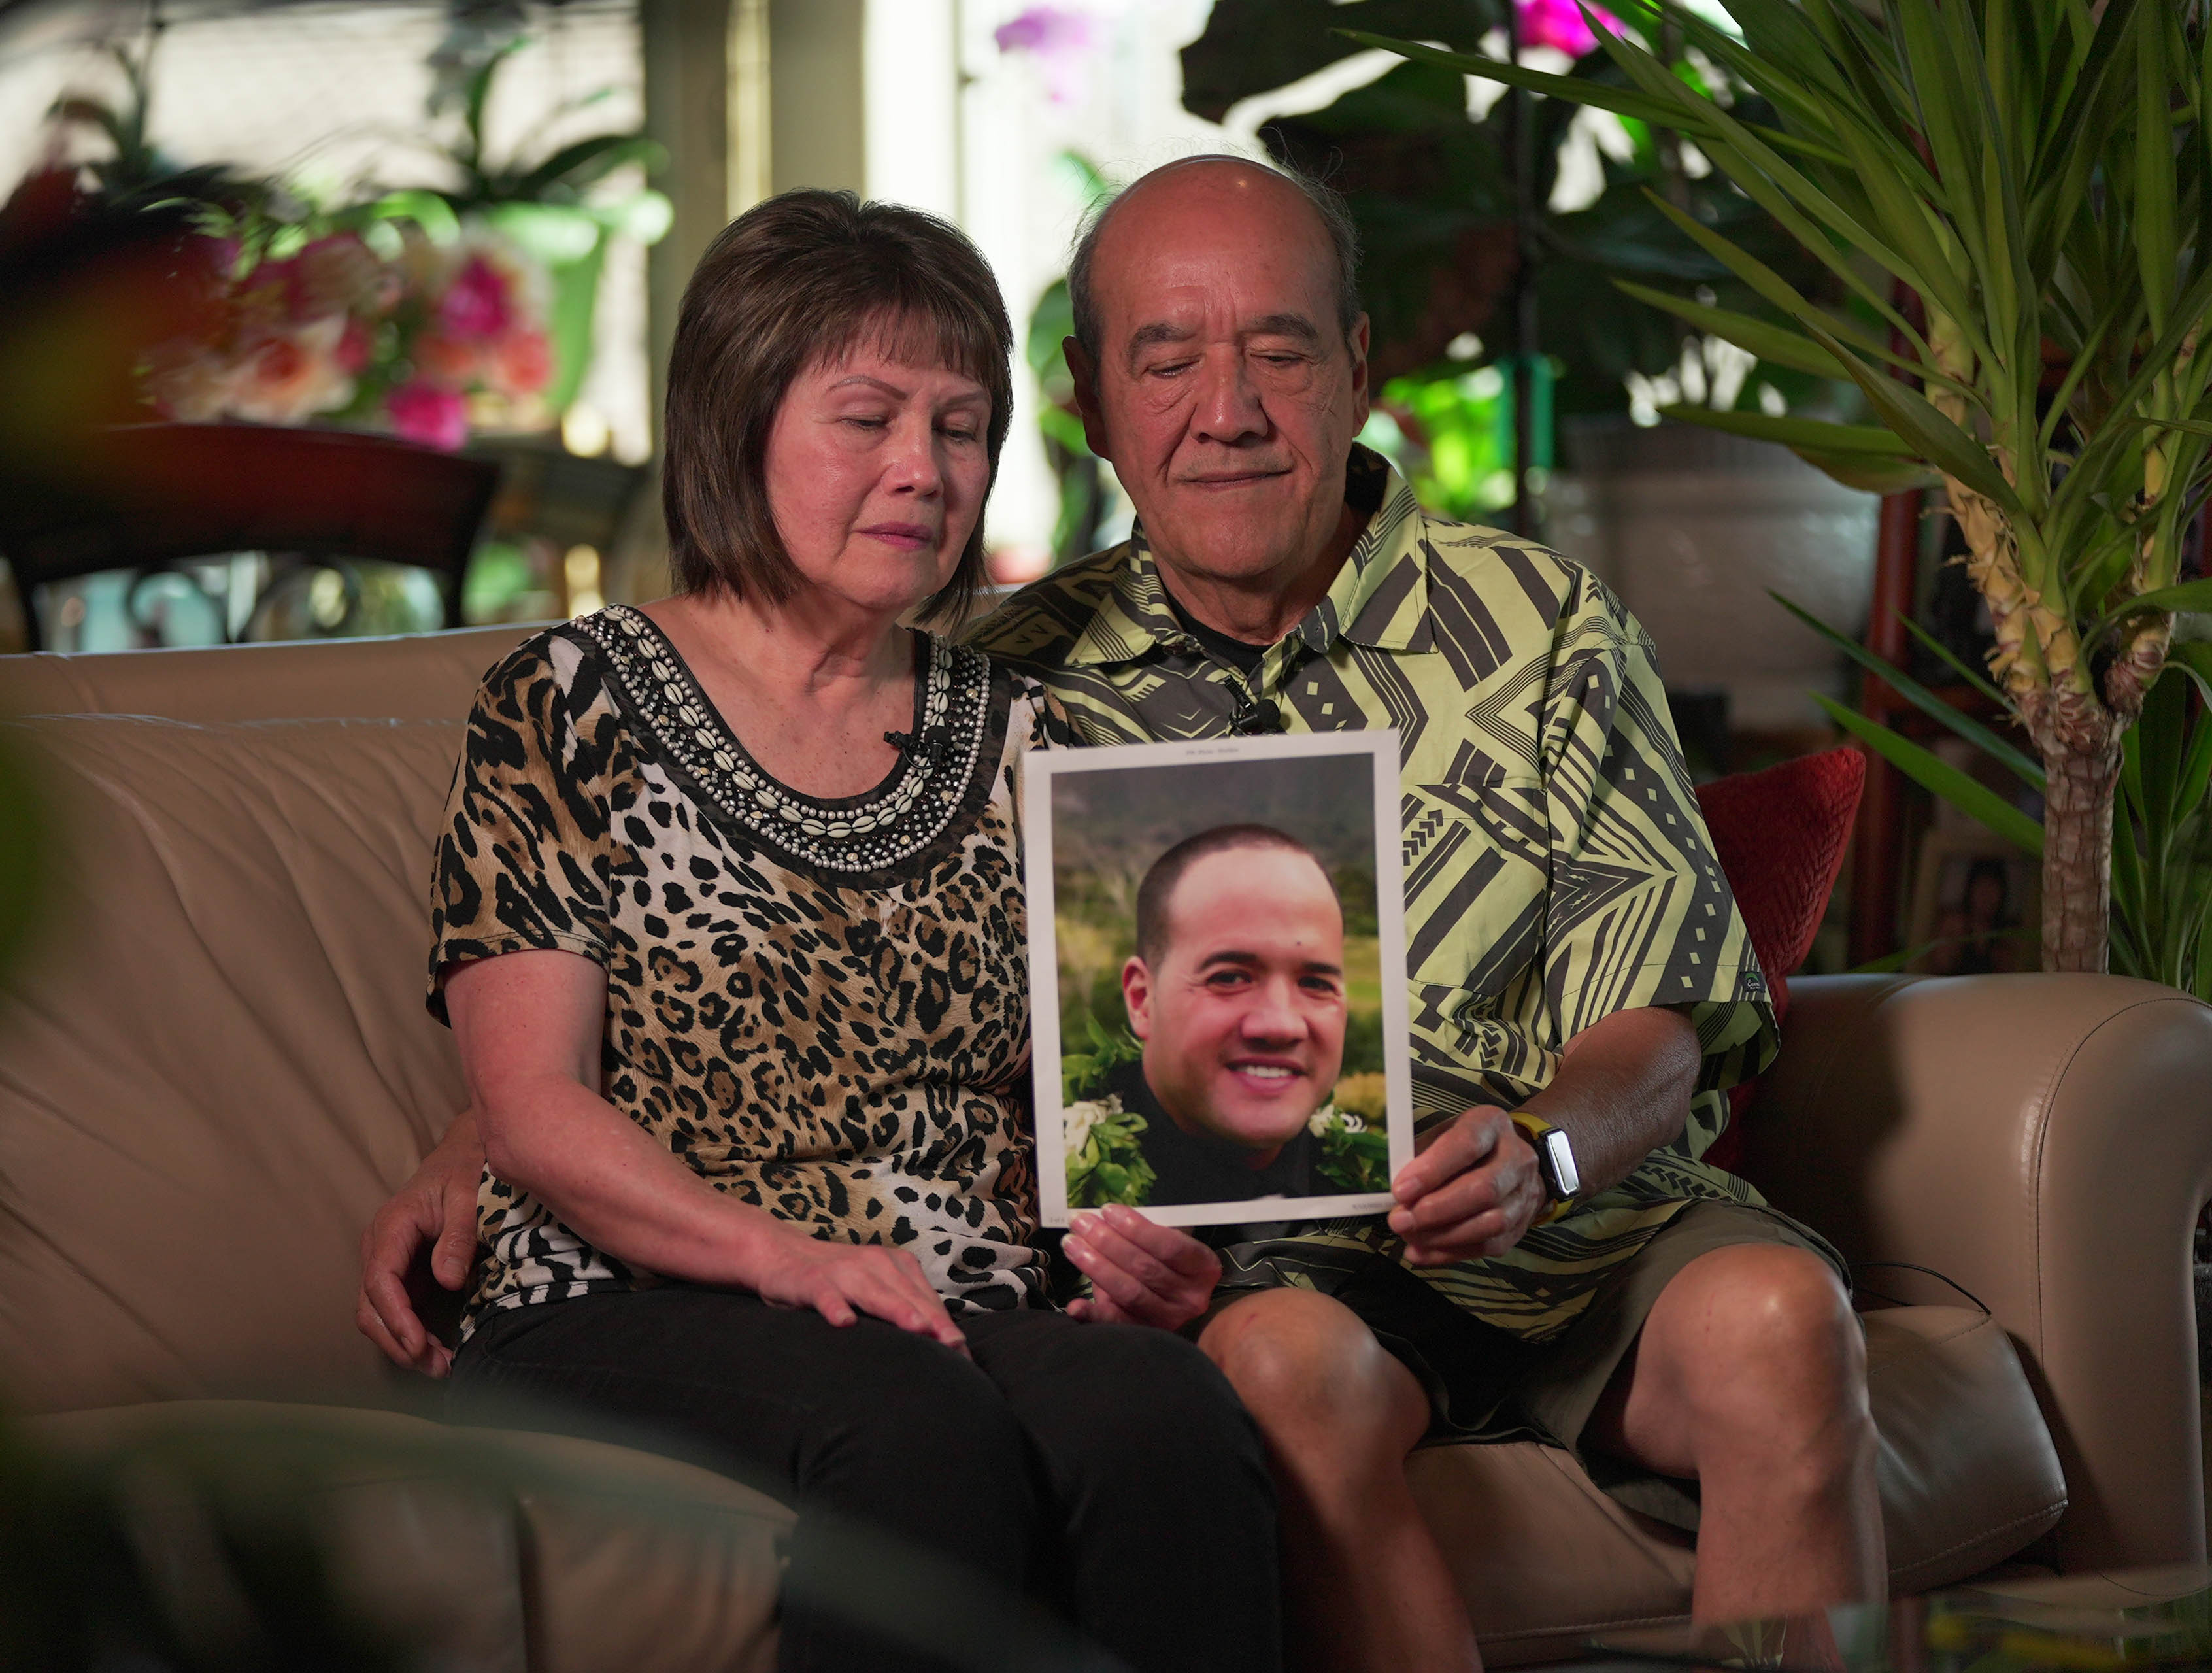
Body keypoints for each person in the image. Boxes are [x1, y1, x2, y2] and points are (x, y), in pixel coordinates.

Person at [365, 158, 1881, 1672]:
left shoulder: (1518, 627)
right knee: (1214, 1380)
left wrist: (1543, 1150)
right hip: (1290, 1278)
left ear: (1358, 368)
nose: (1228, 411)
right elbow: (684, 968)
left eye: (1279, 351)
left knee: (1769, 1322)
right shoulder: (1020, 671)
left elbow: (1661, 1009)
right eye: (1168, 362)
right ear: (1092, 401)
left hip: (1562, 1225)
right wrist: (487, 1126)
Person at [416, 188, 1279, 1673]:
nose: (921, 469)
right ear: (736, 423)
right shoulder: (565, 701)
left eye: (960, 427)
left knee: (1163, 1408)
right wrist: (789, 1256)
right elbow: (531, 1108)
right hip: (629, 1298)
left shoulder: (1033, 736)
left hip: (947, 1292)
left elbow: (1095, 1108)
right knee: (911, 1420)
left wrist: (1151, 1247)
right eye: (867, 419)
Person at [1113, 824, 1350, 1206]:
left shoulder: (1390, 1183)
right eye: (1229, 978)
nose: (1281, 1025)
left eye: (1315, 983)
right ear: (1142, 1000)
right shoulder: (1032, 1182)